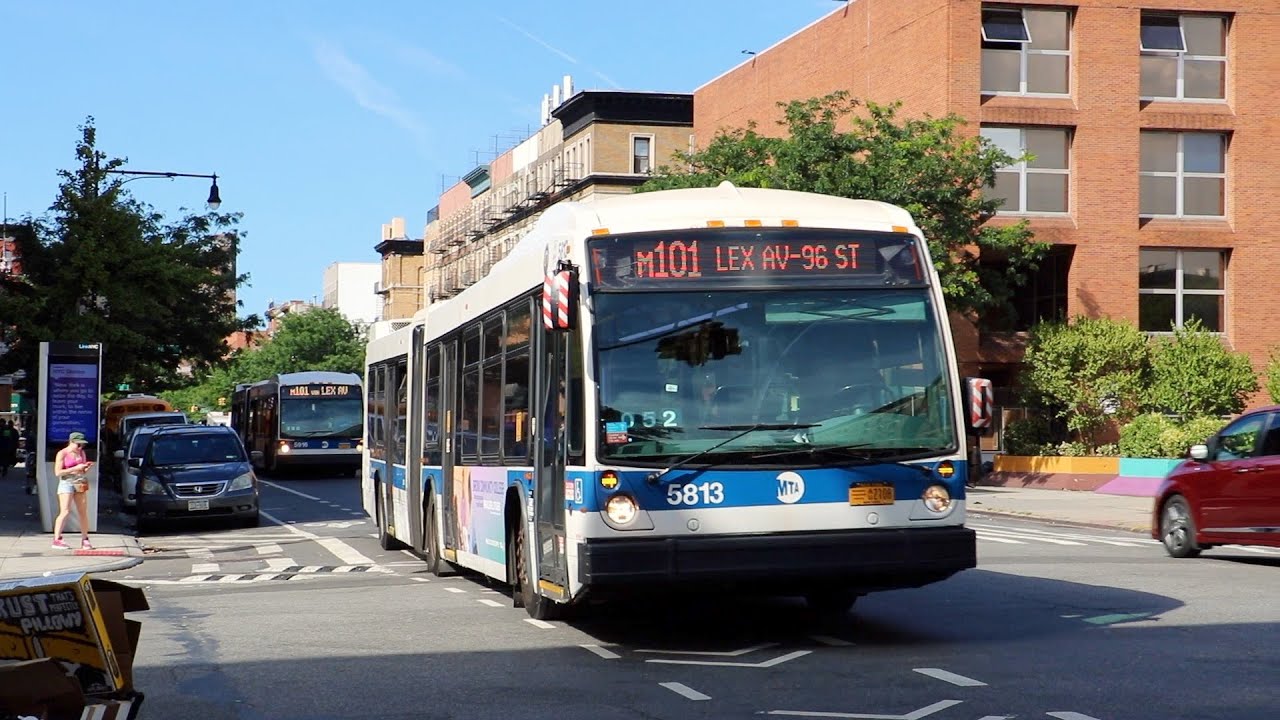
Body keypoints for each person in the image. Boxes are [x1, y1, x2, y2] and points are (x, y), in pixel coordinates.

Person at [51, 431, 94, 551]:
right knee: (65, 510)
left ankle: (85, 539)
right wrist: (75, 468)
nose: (80, 447)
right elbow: (58, 472)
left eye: (82, 445)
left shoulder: (82, 453)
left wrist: (85, 467)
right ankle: (57, 538)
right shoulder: (62, 453)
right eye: (78, 444)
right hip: (66, 482)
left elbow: (82, 470)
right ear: (71, 442)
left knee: (83, 511)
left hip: (79, 481)